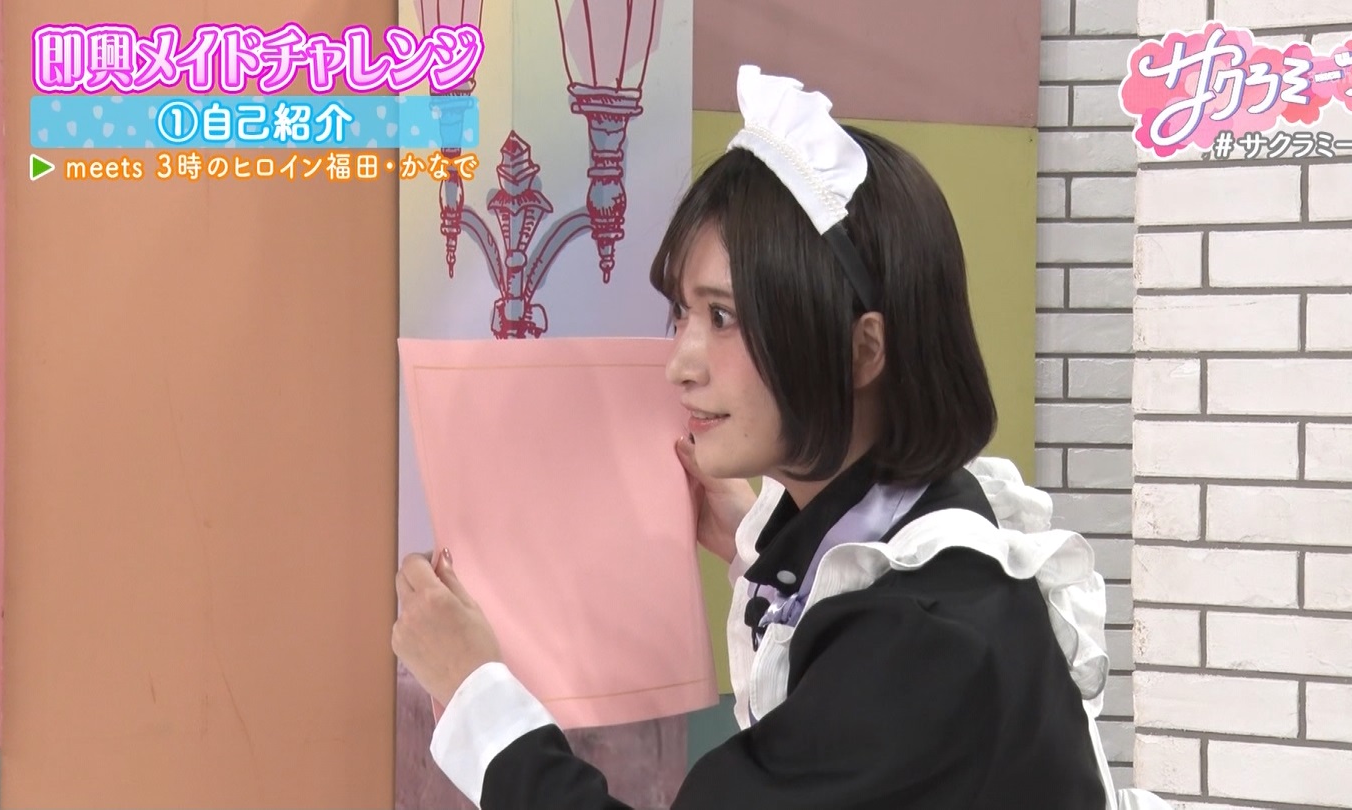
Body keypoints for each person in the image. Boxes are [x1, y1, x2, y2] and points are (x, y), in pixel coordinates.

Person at [392, 65, 1169, 810]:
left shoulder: (922, 639)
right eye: (681, 314)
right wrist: (756, 545)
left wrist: (475, 694)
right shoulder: (936, 531)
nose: (679, 364)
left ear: (863, 349)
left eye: (723, 317)